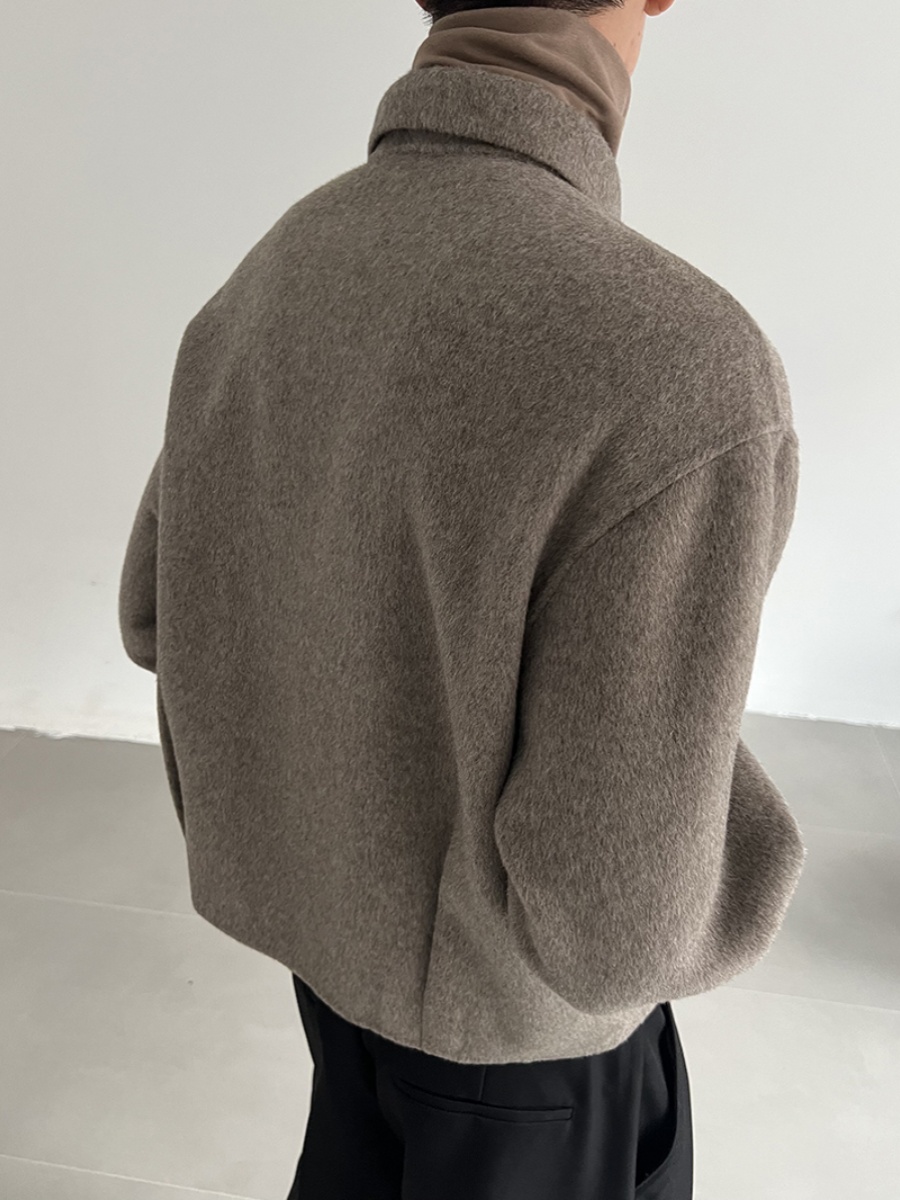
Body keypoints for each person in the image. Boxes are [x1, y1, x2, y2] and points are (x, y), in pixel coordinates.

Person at [118, 1, 808, 1196]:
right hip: (526, 1052)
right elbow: (618, 919)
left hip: (334, 975)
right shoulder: (682, 365)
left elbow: (155, 612)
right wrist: (727, 830)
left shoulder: (279, 267)